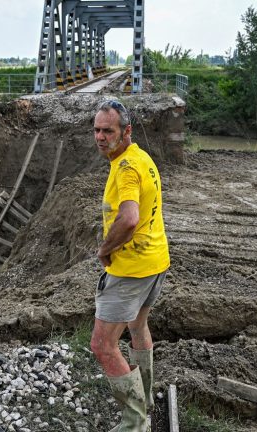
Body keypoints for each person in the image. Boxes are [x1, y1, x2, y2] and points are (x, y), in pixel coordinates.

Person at [89, 99, 170, 431]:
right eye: (96, 130)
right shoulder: (140, 157)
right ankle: (146, 400)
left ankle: (135, 424)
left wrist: (105, 250)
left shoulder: (126, 169)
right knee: (137, 328)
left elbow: (130, 217)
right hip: (155, 262)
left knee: (102, 345)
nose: (100, 137)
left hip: (131, 269)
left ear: (126, 131)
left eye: (108, 130)